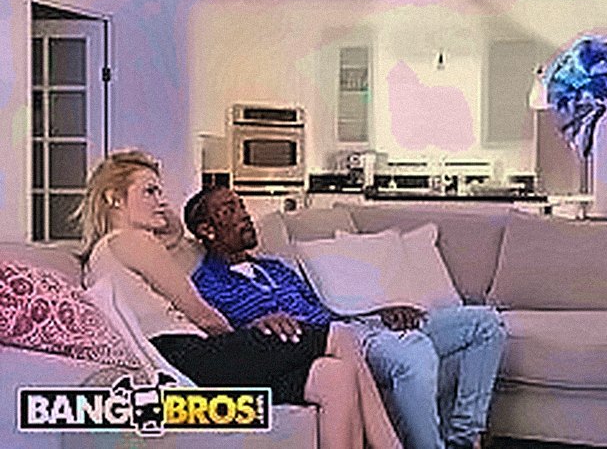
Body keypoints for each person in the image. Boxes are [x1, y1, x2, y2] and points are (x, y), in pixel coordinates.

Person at [75, 150, 399, 449]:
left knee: (334, 378)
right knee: (340, 336)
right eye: (150, 191)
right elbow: (203, 316)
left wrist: (158, 209)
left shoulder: (105, 252)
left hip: (186, 360)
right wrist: (247, 340)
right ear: (113, 197)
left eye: (161, 192)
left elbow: (173, 233)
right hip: (190, 357)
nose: (161, 201)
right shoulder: (133, 240)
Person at [185, 185, 507, 449]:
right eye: (229, 210)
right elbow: (223, 340)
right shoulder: (207, 284)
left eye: (242, 206)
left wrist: (378, 313)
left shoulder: (274, 267)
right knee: (414, 352)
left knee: (485, 324)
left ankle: (463, 438)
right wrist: (252, 328)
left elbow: (324, 310)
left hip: (353, 327)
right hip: (328, 346)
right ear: (206, 230)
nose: (244, 215)